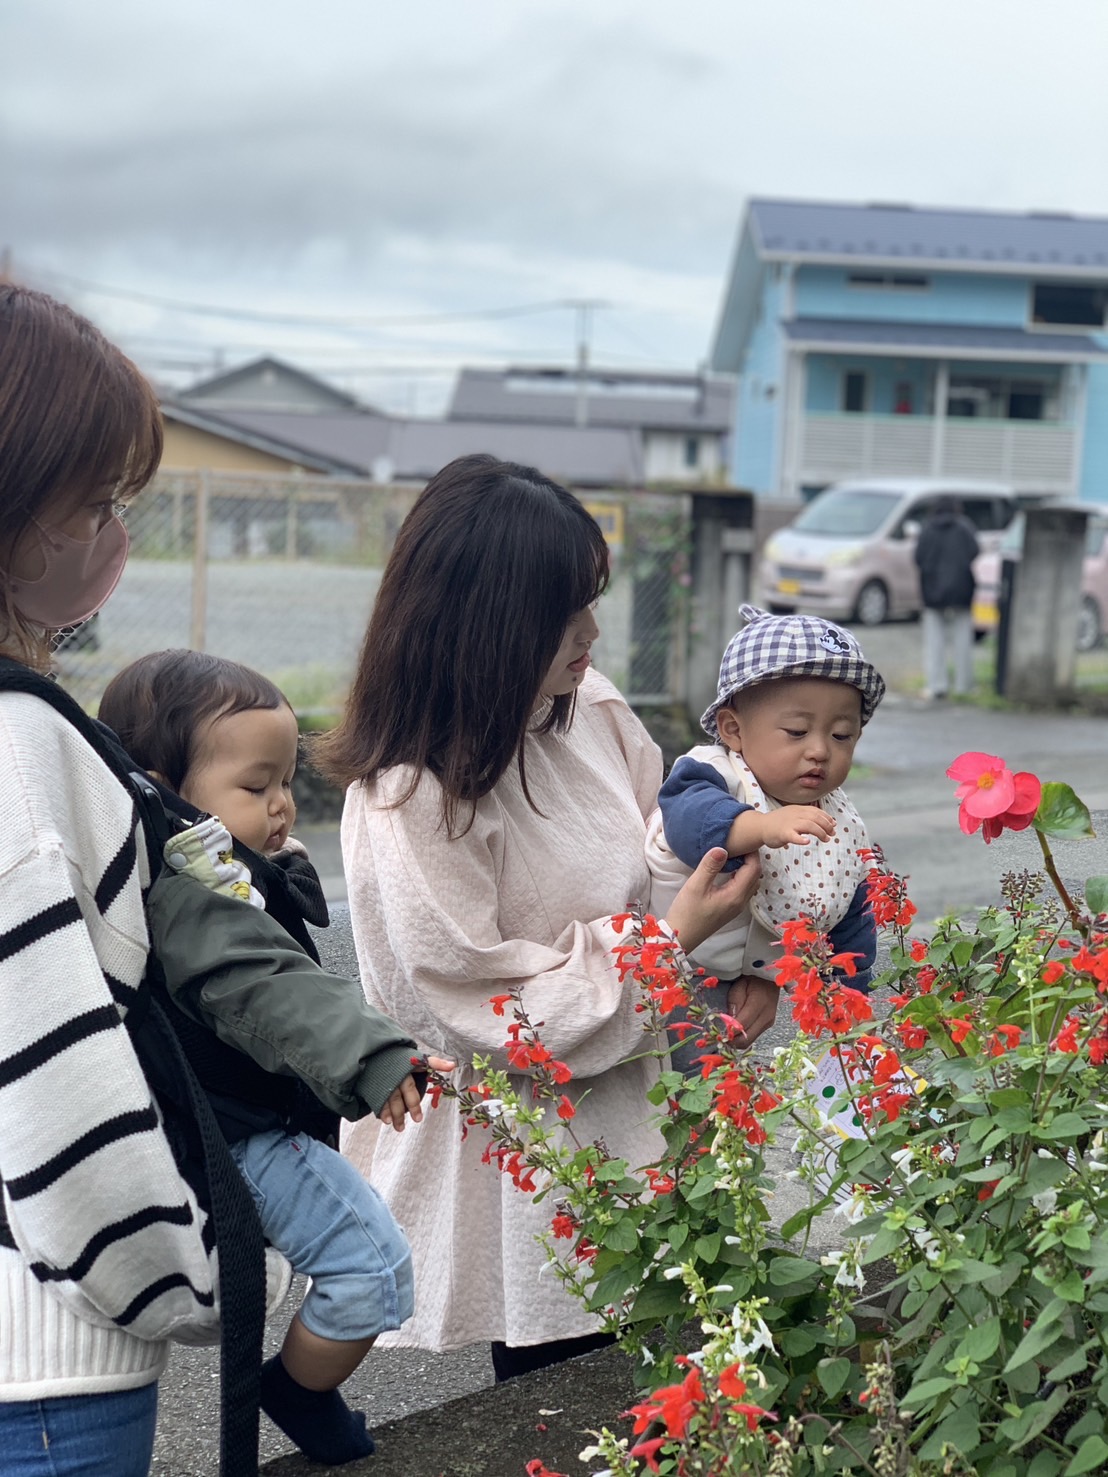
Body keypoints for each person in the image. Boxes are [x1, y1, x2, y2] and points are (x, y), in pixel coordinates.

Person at [314, 453, 760, 1380]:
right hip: (533, 1159)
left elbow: (670, 842)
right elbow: (476, 1005)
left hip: (642, 1099)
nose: (593, 630)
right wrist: (667, 943)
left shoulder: (583, 705)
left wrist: (738, 958)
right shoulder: (411, 794)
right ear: (487, 618)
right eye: (566, 609)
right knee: (573, 1392)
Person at [98, 649, 453, 1466]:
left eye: (286, 781)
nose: (284, 805)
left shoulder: (220, 875)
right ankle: (295, 1391)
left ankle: (301, 1386)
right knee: (369, 1268)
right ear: (159, 787)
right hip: (236, 1137)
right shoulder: (185, 896)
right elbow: (264, 984)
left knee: (376, 1268)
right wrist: (374, 1053)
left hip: (256, 1122)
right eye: (256, 788)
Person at [0, 284, 241, 1475]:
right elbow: (56, 1076)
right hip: (41, 1372)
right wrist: (186, 1279)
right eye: (92, 500)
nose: (110, 534)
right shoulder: (19, 744)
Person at [646, 605, 886, 1073]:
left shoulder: (837, 818)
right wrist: (762, 827)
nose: (820, 750)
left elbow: (850, 905)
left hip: (743, 985)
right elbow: (689, 821)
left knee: (720, 1088)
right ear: (734, 729)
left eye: (842, 735)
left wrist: (848, 990)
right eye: (797, 732)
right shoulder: (713, 773)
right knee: (669, 1082)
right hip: (676, 969)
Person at [913, 496, 980, 699]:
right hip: (962, 590)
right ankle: (963, 686)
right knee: (962, 639)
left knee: (935, 641)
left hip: (932, 592)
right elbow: (975, 551)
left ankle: (936, 686)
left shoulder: (927, 529)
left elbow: (918, 558)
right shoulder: (965, 527)